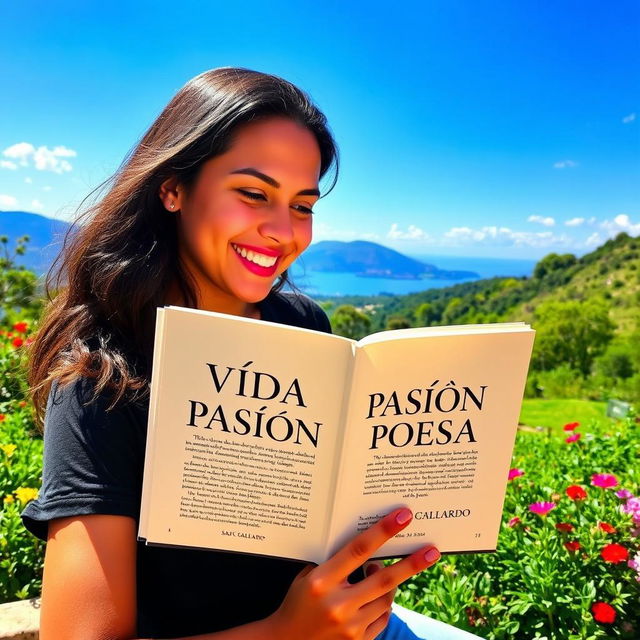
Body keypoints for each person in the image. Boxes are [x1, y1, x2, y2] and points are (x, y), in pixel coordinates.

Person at [21, 67, 477, 640]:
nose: (284, 232)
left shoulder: (304, 324)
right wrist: (287, 631)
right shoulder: (105, 376)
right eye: (254, 194)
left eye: (304, 205)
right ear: (173, 188)